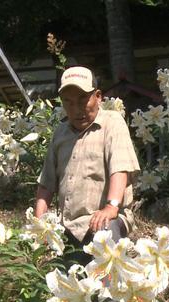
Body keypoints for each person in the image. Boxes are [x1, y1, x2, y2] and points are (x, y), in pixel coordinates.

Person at [34, 66, 140, 263]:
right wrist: (39, 224)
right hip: (70, 227)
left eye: (83, 99)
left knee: (107, 274)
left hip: (107, 220)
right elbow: (46, 184)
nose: (77, 109)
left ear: (98, 97)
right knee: (69, 283)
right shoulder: (60, 133)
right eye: (69, 102)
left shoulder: (112, 122)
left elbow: (120, 168)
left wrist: (111, 207)